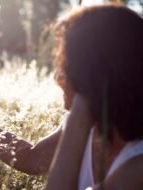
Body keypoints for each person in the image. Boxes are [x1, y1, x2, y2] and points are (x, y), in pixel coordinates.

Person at [45, 4, 143, 190]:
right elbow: (29, 158)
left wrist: (80, 111)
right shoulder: (98, 133)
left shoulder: (137, 170)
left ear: (92, 74)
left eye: (66, 66)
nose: (58, 78)